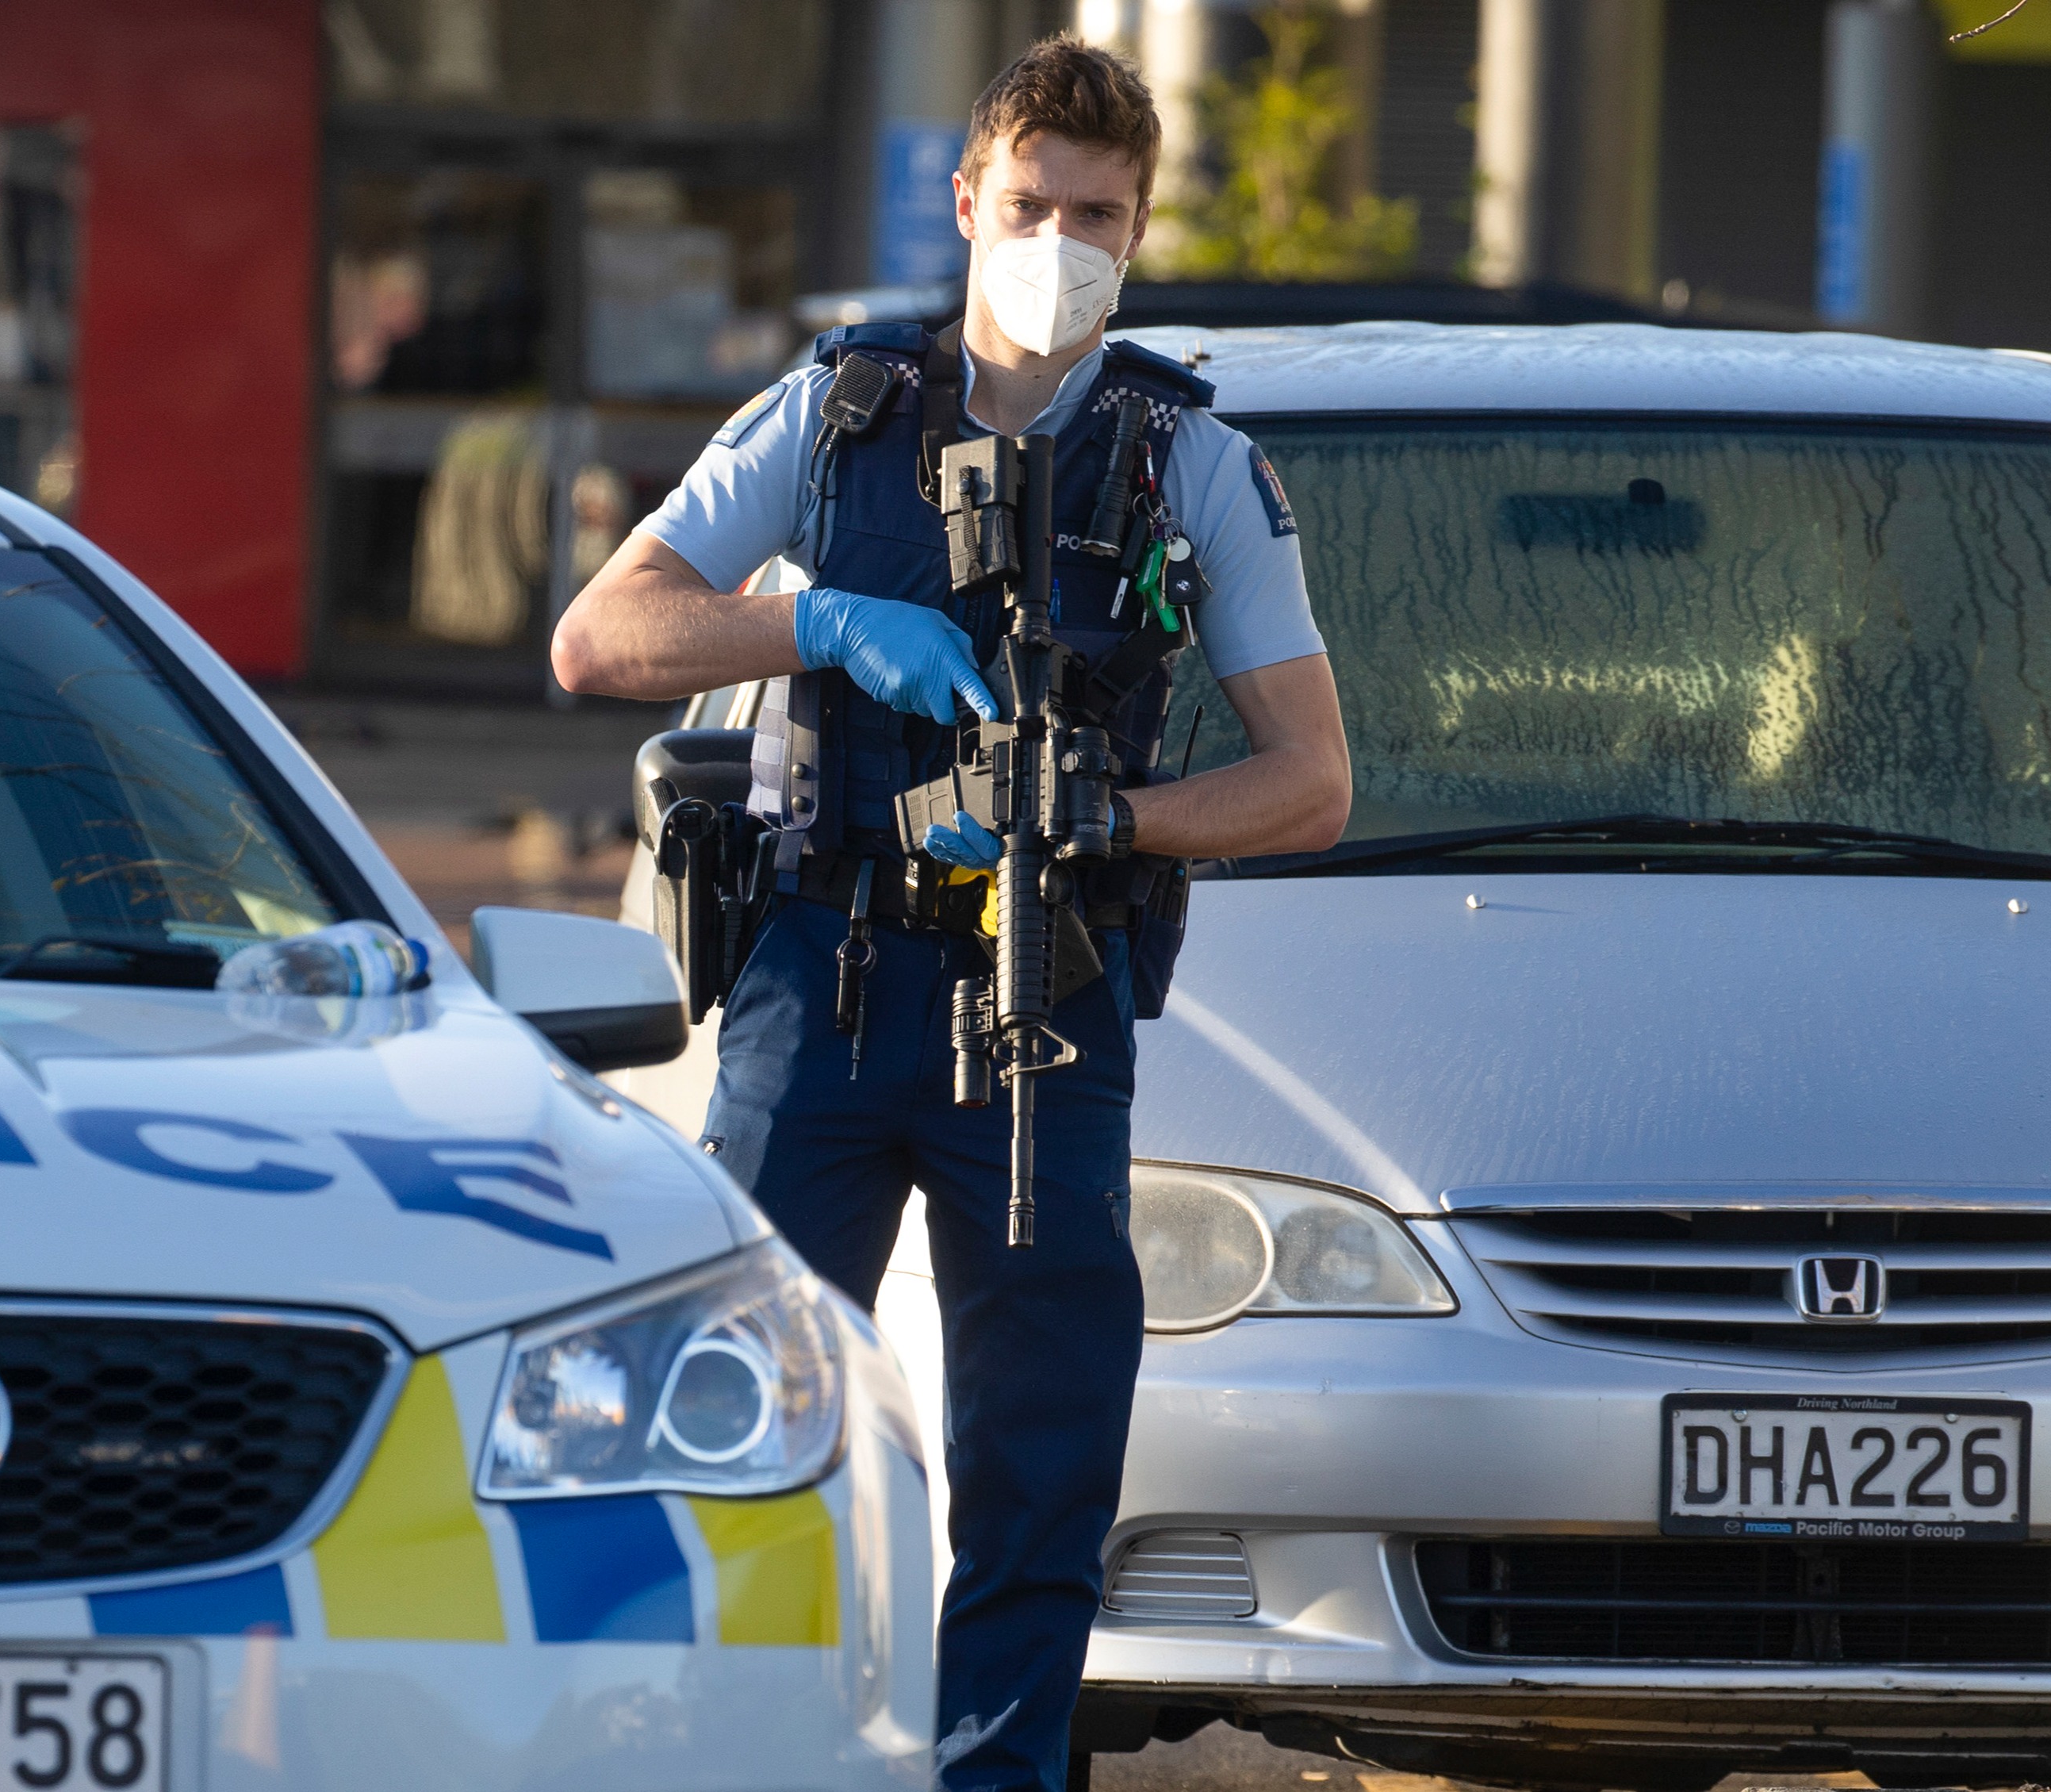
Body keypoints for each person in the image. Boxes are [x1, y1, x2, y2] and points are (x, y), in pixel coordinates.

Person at [551, 35, 1351, 1792]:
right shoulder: (840, 412)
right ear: (964, 202)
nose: (1059, 239)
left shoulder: (1182, 459)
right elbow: (600, 638)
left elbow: (1310, 776)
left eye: (1097, 214)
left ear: (1138, 231)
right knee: (738, 1406)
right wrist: (820, 623)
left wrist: (1114, 814)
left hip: (1043, 990)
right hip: (817, 981)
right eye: (1031, 204)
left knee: (1039, 1455)